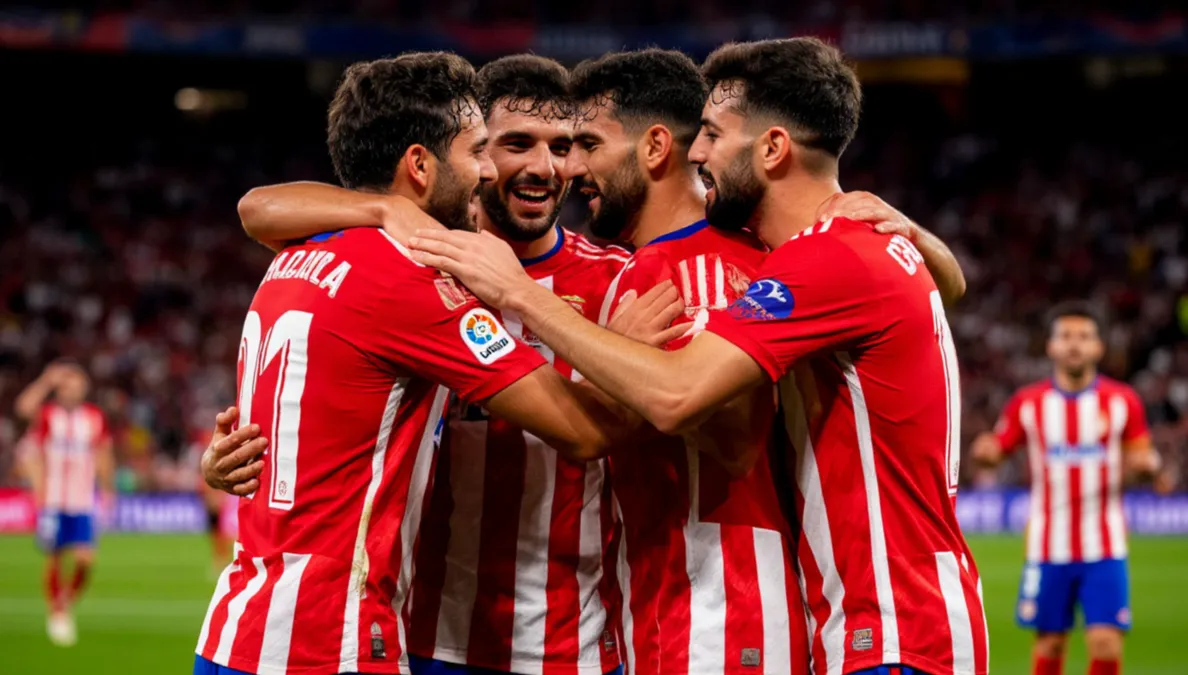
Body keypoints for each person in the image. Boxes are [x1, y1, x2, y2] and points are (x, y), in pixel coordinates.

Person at [406, 38, 989, 675]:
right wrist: (911, 229)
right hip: (830, 617)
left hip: (749, 620)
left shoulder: (746, 262)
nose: (701, 151)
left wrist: (534, 306)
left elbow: (710, 420)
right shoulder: (829, 248)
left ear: (770, 148)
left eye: (586, 146)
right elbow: (943, 284)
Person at [193, 52, 648, 675]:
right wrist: (629, 363)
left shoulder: (301, 251)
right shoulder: (419, 276)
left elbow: (258, 212)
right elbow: (587, 432)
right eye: (496, 147)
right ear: (421, 164)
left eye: (562, 146)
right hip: (359, 634)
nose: (526, 167)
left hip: (554, 637)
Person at [971, 302, 1162, 675]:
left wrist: (1146, 466)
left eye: (1084, 337)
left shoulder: (1122, 401)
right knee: (1050, 643)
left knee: (1106, 645)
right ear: (1051, 346)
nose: (1075, 344)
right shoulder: (1028, 402)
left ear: (1098, 348)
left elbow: (1143, 456)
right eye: (1066, 336)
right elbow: (998, 448)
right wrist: (986, 452)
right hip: (1048, 544)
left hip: (1105, 544)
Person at [15, 360, 115, 647]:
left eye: (78, 383)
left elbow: (104, 453)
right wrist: (46, 380)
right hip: (53, 499)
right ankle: (57, 612)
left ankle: (64, 603)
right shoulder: (47, 415)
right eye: (68, 384)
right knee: (55, 555)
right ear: (60, 389)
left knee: (85, 558)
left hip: (82, 499)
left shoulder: (94, 417)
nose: (74, 389)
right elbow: (23, 408)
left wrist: (107, 489)